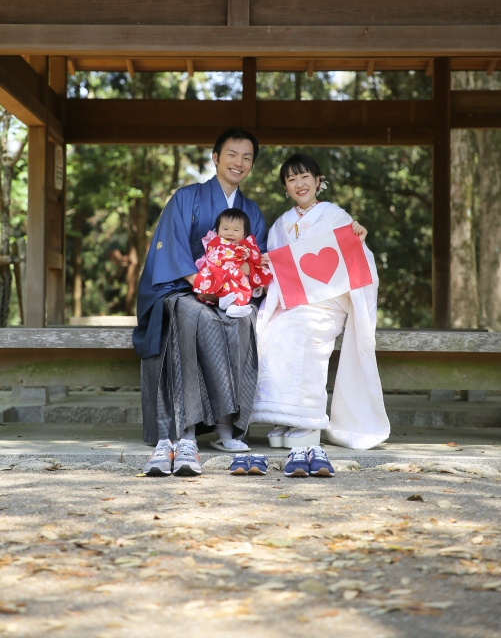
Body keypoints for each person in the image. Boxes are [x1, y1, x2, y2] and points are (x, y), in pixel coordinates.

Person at [133, 128, 267, 476]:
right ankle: (186, 427)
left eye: (247, 157)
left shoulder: (251, 211)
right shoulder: (186, 198)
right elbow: (171, 249)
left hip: (232, 293)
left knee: (244, 319)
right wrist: (206, 287)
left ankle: (227, 426)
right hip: (185, 287)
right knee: (193, 314)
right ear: (216, 157)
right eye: (232, 154)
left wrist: (231, 287)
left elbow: (257, 261)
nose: (239, 162)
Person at [251, 153, 390, 453]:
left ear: (317, 181)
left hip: (326, 304)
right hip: (289, 303)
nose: (299, 184)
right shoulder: (281, 225)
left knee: (302, 335)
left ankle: (307, 420)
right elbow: (275, 272)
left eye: (305, 177)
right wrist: (267, 265)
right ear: (285, 187)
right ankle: (283, 416)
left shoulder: (336, 216)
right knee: (270, 333)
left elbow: (357, 260)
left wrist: (358, 240)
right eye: (291, 179)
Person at [193, 208, 273, 319]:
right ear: (217, 230)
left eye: (236, 230)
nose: (230, 233)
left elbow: (254, 258)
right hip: (218, 274)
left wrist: (253, 258)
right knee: (227, 278)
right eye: (225, 229)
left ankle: (233, 305)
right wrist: (236, 257)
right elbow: (215, 257)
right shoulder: (216, 242)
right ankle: (227, 300)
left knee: (244, 282)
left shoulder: (246, 245)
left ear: (244, 234)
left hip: (239, 278)